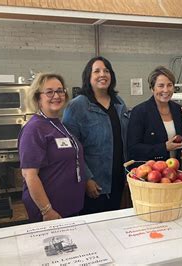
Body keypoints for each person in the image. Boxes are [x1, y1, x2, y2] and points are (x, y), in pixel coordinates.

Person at [63, 56, 129, 215]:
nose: (103, 74)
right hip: (95, 181)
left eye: (106, 70)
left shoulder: (118, 103)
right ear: (88, 76)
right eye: (97, 71)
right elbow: (71, 148)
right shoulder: (77, 106)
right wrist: (87, 179)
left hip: (117, 178)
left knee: (113, 223)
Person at [18, 73, 85, 222]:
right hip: (50, 212)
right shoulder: (34, 129)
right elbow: (30, 175)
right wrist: (47, 210)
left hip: (70, 207)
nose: (57, 96)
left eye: (60, 91)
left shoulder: (58, 124)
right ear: (38, 97)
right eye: (49, 92)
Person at [127, 66, 182, 162]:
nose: (166, 90)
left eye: (169, 85)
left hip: (174, 170)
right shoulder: (140, 112)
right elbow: (133, 148)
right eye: (161, 86)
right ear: (152, 88)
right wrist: (164, 147)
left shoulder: (177, 109)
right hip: (150, 171)